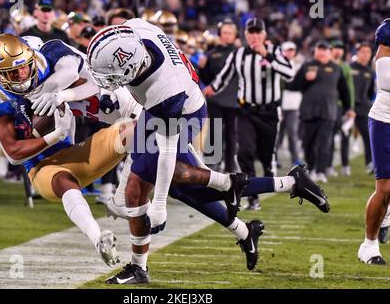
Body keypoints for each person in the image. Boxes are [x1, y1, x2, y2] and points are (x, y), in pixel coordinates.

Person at [86, 20, 329, 284]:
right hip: (159, 107)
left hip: (185, 114)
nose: (109, 80)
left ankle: (139, 267)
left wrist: (159, 206)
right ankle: (263, 206)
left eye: (112, 74)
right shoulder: (136, 29)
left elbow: (167, 151)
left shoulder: (165, 90)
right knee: (184, 189)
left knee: (165, 179)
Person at [0, 33, 133, 266]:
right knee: (63, 179)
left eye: (25, 68)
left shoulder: (49, 65)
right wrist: (53, 136)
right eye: (13, 73)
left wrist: (60, 94)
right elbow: (13, 153)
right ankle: (98, 238)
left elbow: (87, 80)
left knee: (132, 129)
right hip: (41, 167)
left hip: (77, 154)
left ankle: (128, 197)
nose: (22, 75)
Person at [203, 18, 294, 210]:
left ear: (264, 34)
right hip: (246, 110)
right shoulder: (239, 54)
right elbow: (224, 75)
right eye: (250, 32)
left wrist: (267, 55)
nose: (254, 36)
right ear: (245, 34)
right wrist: (210, 88)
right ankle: (253, 197)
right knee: (244, 151)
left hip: (269, 112)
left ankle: (269, 169)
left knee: (266, 155)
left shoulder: (276, 51)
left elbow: (289, 73)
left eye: (257, 32)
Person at [288, 40, 354, 184]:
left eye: (325, 49)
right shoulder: (307, 66)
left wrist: (348, 108)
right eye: (320, 49)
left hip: (328, 111)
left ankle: (321, 171)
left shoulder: (336, 68)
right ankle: (311, 168)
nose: (322, 52)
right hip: (308, 111)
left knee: (324, 143)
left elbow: (344, 91)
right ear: (315, 51)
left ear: (329, 52)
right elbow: (294, 86)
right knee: (307, 144)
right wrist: (305, 79)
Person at [357, 19, 390, 265]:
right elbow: (387, 80)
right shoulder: (389, 30)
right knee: (387, 188)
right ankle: (369, 245)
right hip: (386, 120)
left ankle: (387, 211)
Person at [200, 19, 239, 172]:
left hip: (234, 98)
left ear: (235, 36)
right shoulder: (212, 52)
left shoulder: (239, 53)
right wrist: (202, 68)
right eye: (224, 33)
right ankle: (212, 162)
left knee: (231, 134)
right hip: (215, 97)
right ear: (220, 34)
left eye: (230, 33)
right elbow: (205, 78)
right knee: (215, 130)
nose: (227, 36)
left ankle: (230, 165)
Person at [327, 40, 355, 177]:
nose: (338, 50)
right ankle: (329, 165)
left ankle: (345, 165)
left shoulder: (345, 67)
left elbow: (350, 88)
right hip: (330, 106)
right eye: (335, 48)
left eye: (340, 48)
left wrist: (351, 108)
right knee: (329, 138)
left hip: (343, 107)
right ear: (330, 50)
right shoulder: (327, 65)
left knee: (345, 137)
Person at [276, 41, 304, 167]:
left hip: (294, 105)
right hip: (279, 105)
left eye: (292, 50)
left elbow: (298, 84)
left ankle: (296, 159)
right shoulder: (277, 65)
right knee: (278, 134)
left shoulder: (298, 66)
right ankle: (274, 158)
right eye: (287, 50)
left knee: (292, 133)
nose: (290, 52)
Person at [351, 42, 375, 174]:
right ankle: (342, 166)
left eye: (368, 52)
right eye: (363, 52)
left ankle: (370, 163)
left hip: (362, 107)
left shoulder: (370, 72)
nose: (366, 55)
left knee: (368, 136)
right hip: (347, 107)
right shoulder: (349, 67)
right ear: (357, 53)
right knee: (343, 136)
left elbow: (371, 92)